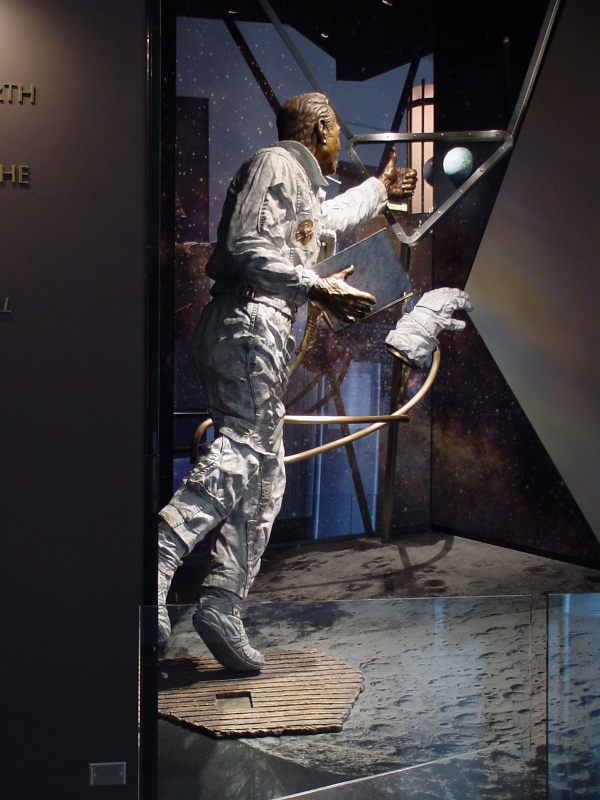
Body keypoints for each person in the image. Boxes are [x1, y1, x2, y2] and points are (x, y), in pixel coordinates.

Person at [157, 92, 421, 672]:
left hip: (257, 330)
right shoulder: (275, 165)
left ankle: (222, 603)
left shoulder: (297, 185)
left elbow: (319, 227)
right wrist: (316, 286)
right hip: (246, 324)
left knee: (265, 469)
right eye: (337, 132)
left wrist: (378, 192)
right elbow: (244, 249)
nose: (338, 142)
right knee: (248, 446)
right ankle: (158, 556)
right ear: (322, 126)